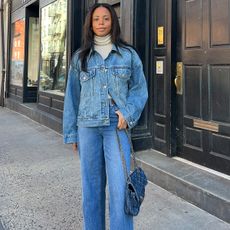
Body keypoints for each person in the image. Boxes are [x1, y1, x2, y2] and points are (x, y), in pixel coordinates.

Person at [63, 3, 148, 230]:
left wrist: (127, 113)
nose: (101, 23)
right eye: (96, 19)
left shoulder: (128, 55)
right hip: (87, 126)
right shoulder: (79, 58)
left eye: (106, 19)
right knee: (91, 188)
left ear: (113, 22)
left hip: (116, 126)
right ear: (90, 24)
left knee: (120, 189)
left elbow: (140, 90)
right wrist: (72, 133)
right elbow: (72, 98)